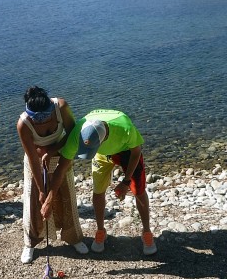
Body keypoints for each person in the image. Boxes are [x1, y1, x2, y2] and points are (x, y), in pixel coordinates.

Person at [41, 109, 157, 256]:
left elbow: (136, 152)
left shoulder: (125, 128)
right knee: (98, 191)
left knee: (139, 192)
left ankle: (146, 232)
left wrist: (126, 181)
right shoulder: (79, 132)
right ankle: (101, 230)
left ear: (104, 139)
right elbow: (61, 169)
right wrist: (49, 200)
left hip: (125, 151)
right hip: (102, 156)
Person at [17, 86, 88, 264]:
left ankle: (74, 238)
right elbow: (33, 158)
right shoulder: (23, 124)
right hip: (35, 162)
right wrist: (41, 189)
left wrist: (52, 150)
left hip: (63, 154)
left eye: (46, 115)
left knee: (67, 197)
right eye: (37, 118)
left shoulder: (61, 107)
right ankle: (30, 243)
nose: (42, 121)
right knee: (34, 202)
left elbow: (73, 134)